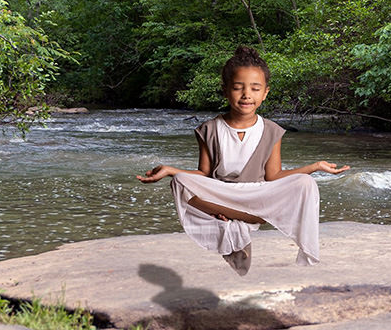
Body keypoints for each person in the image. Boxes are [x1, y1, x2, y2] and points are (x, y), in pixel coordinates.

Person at [137, 46, 349, 275]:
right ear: (225, 90)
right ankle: (239, 220)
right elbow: (204, 175)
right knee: (179, 182)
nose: (247, 94)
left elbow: (273, 177)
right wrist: (169, 170)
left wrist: (315, 167)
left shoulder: (271, 130)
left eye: (255, 88)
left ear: (265, 93)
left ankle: (230, 218)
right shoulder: (208, 129)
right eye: (238, 88)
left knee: (306, 185)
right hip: (222, 193)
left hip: (256, 195)